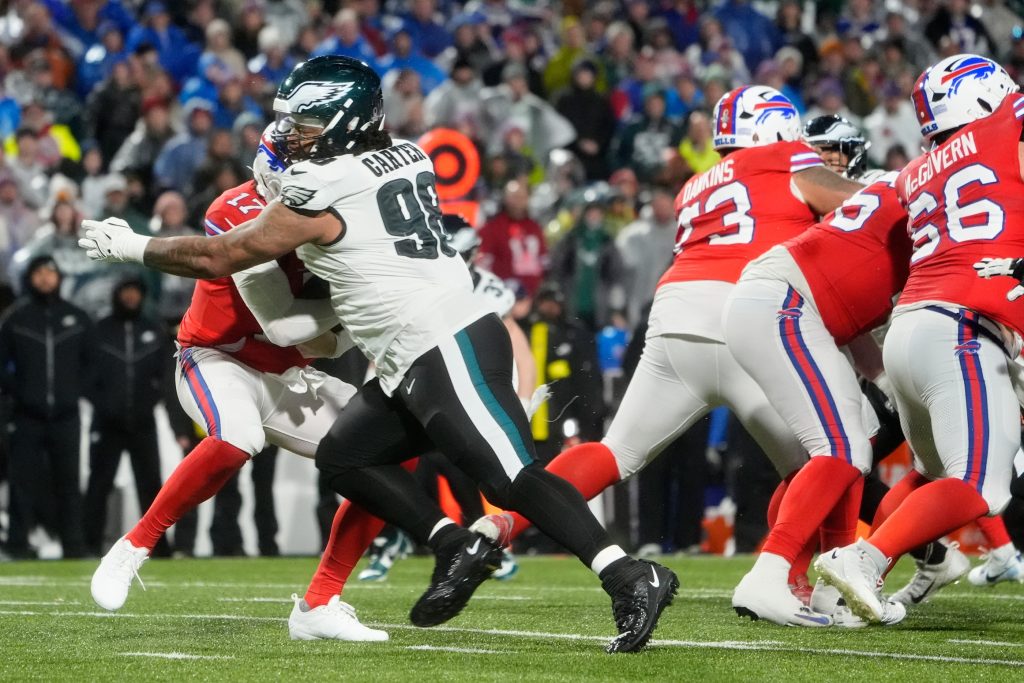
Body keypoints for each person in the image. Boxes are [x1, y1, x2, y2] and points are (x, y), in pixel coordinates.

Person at [78, 56, 678, 654]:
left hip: (442, 342)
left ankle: (629, 575)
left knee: (513, 478)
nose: (292, 135)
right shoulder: (408, 153)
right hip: (409, 353)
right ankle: (449, 544)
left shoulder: (323, 184)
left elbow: (220, 258)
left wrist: (133, 245)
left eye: (306, 123)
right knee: (347, 456)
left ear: (344, 120)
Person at [497, 86, 863, 626]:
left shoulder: (697, 183)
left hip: (676, 312)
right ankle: (811, 577)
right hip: (748, 314)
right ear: (777, 129)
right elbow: (856, 207)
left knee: (616, 451)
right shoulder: (786, 157)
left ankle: (498, 526)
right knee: (834, 453)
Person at [87, 126, 389, 642]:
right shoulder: (239, 210)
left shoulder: (342, 210)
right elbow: (286, 326)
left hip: (287, 374)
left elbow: (327, 343)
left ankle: (320, 602)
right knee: (236, 439)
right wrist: (360, 300)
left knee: (390, 452)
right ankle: (134, 545)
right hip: (215, 357)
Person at [818, 54, 1024, 623]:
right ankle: (865, 557)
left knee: (931, 474)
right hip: (963, 325)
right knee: (981, 483)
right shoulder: (1007, 126)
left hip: (909, 324)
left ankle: (847, 589)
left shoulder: (914, 171)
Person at [0, 256, 93, 559]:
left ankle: (74, 545)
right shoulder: (17, 318)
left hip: (66, 415)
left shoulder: (77, 318)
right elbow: (3, 365)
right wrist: (21, 393)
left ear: (59, 277)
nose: (44, 278)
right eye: (38, 273)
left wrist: (74, 391)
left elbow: (91, 363)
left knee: (68, 481)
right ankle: (17, 543)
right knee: (21, 483)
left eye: (50, 272)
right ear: (30, 278)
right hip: (27, 415)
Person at [82, 278, 169, 557]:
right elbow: (85, 374)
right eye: (126, 291)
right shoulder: (99, 330)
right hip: (107, 422)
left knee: (151, 487)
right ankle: (88, 544)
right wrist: (104, 404)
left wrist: (148, 402)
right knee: (99, 484)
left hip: (143, 422)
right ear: (117, 295)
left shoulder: (154, 330)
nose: (131, 296)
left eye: (136, 291)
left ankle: (158, 546)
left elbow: (165, 375)